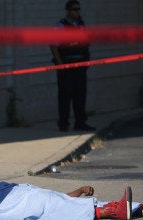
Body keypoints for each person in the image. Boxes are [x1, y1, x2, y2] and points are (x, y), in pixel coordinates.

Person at [0, 182, 143, 220]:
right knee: (66, 207)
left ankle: (141, 207)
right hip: (34, 205)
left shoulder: (6, 187)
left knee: (65, 203)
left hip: (43, 198)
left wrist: (80, 191)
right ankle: (116, 211)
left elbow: (61, 197)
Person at [50, 0, 95, 132]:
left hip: (80, 65)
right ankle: (63, 124)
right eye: (74, 9)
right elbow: (53, 45)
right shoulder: (60, 26)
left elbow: (86, 44)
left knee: (80, 95)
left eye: (78, 9)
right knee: (65, 96)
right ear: (68, 11)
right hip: (66, 66)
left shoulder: (81, 25)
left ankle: (80, 122)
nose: (77, 12)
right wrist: (60, 64)